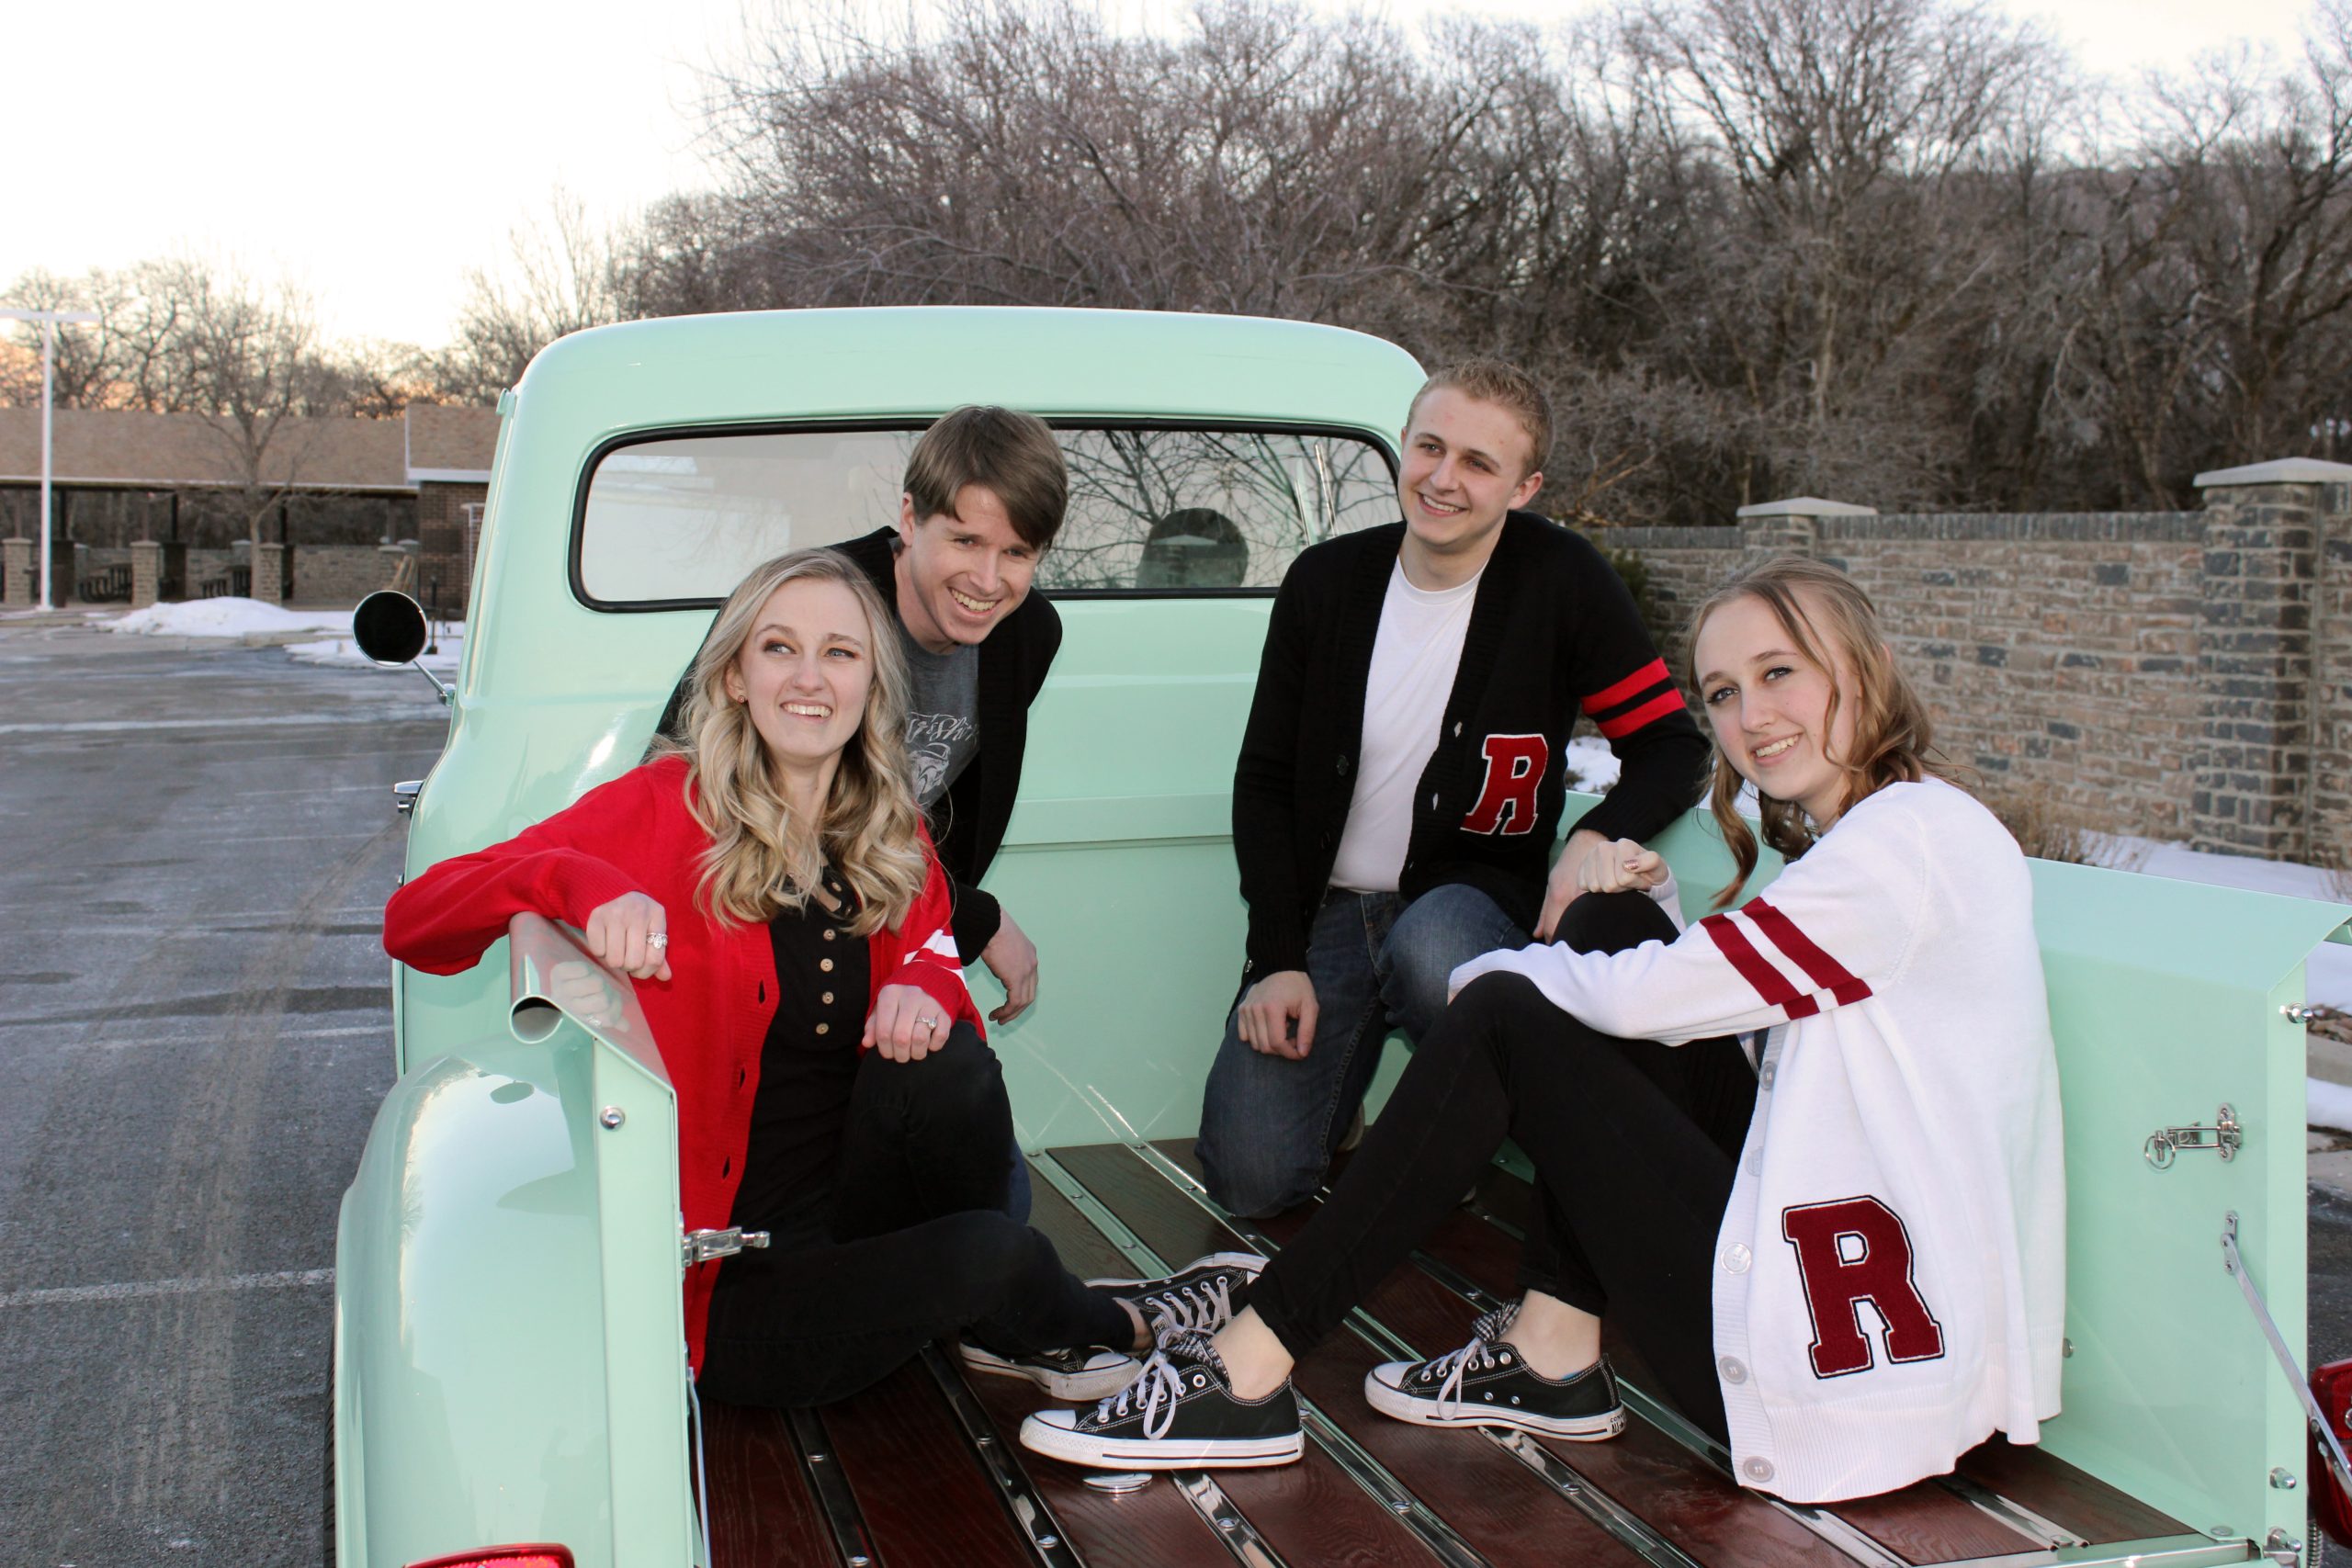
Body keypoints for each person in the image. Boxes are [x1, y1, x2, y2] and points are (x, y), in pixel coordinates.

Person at [1025, 558, 2066, 1505]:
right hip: (1844, 1289)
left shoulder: (1907, 844)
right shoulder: (1897, 835)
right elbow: (1729, 1038)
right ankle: (1553, 1355)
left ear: (1868, 665)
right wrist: (1628, 923)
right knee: (1607, 934)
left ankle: (1248, 1371)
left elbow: (1649, 1005)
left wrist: (1496, 972)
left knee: (1517, 1009)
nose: (1751, 716)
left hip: (1828, 1363)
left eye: (1779, 672)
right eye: (1721, 692)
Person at [388, 549, 1259, 1407]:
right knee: (1002, 1256)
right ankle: (1129, 1326)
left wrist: (927, 980)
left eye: (840, 652)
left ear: (872, 684)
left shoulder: (888, 828)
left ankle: (998, 1311)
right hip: (741, 1282)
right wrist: (578, 881)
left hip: (857, 1213)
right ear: (734, 676)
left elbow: (932, 950)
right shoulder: (659, 807)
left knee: (951, 1063)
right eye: (779, 647)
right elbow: (416, 918)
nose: (810, 677)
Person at [1195, 360, 1710, 1218]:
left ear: (1524, 485)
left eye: (1478, 462)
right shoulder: (1327, 583)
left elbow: (1671, 745)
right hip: (1328, 914)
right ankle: (1353, 1095)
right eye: (1429, 447)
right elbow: (1266, 782)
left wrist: (1598, 833)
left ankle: (1463, 1124)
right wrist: (1276, 958)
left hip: (1469, 906)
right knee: (1249, 1179)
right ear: (1403, 444)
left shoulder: (1562, 580)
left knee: (1432, 947)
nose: (1443, 478)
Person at [656, 404, 1068, 1223]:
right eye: (965, 540)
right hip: (765, 935)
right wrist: (976, 920)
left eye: (1016, 552)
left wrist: (955, 923)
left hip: (892, 929)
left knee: (996, 1205)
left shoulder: (1029, 635)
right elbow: (681, 772)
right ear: (909, 518)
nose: (989, 579)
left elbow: (951, 822)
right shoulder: (815, 602)